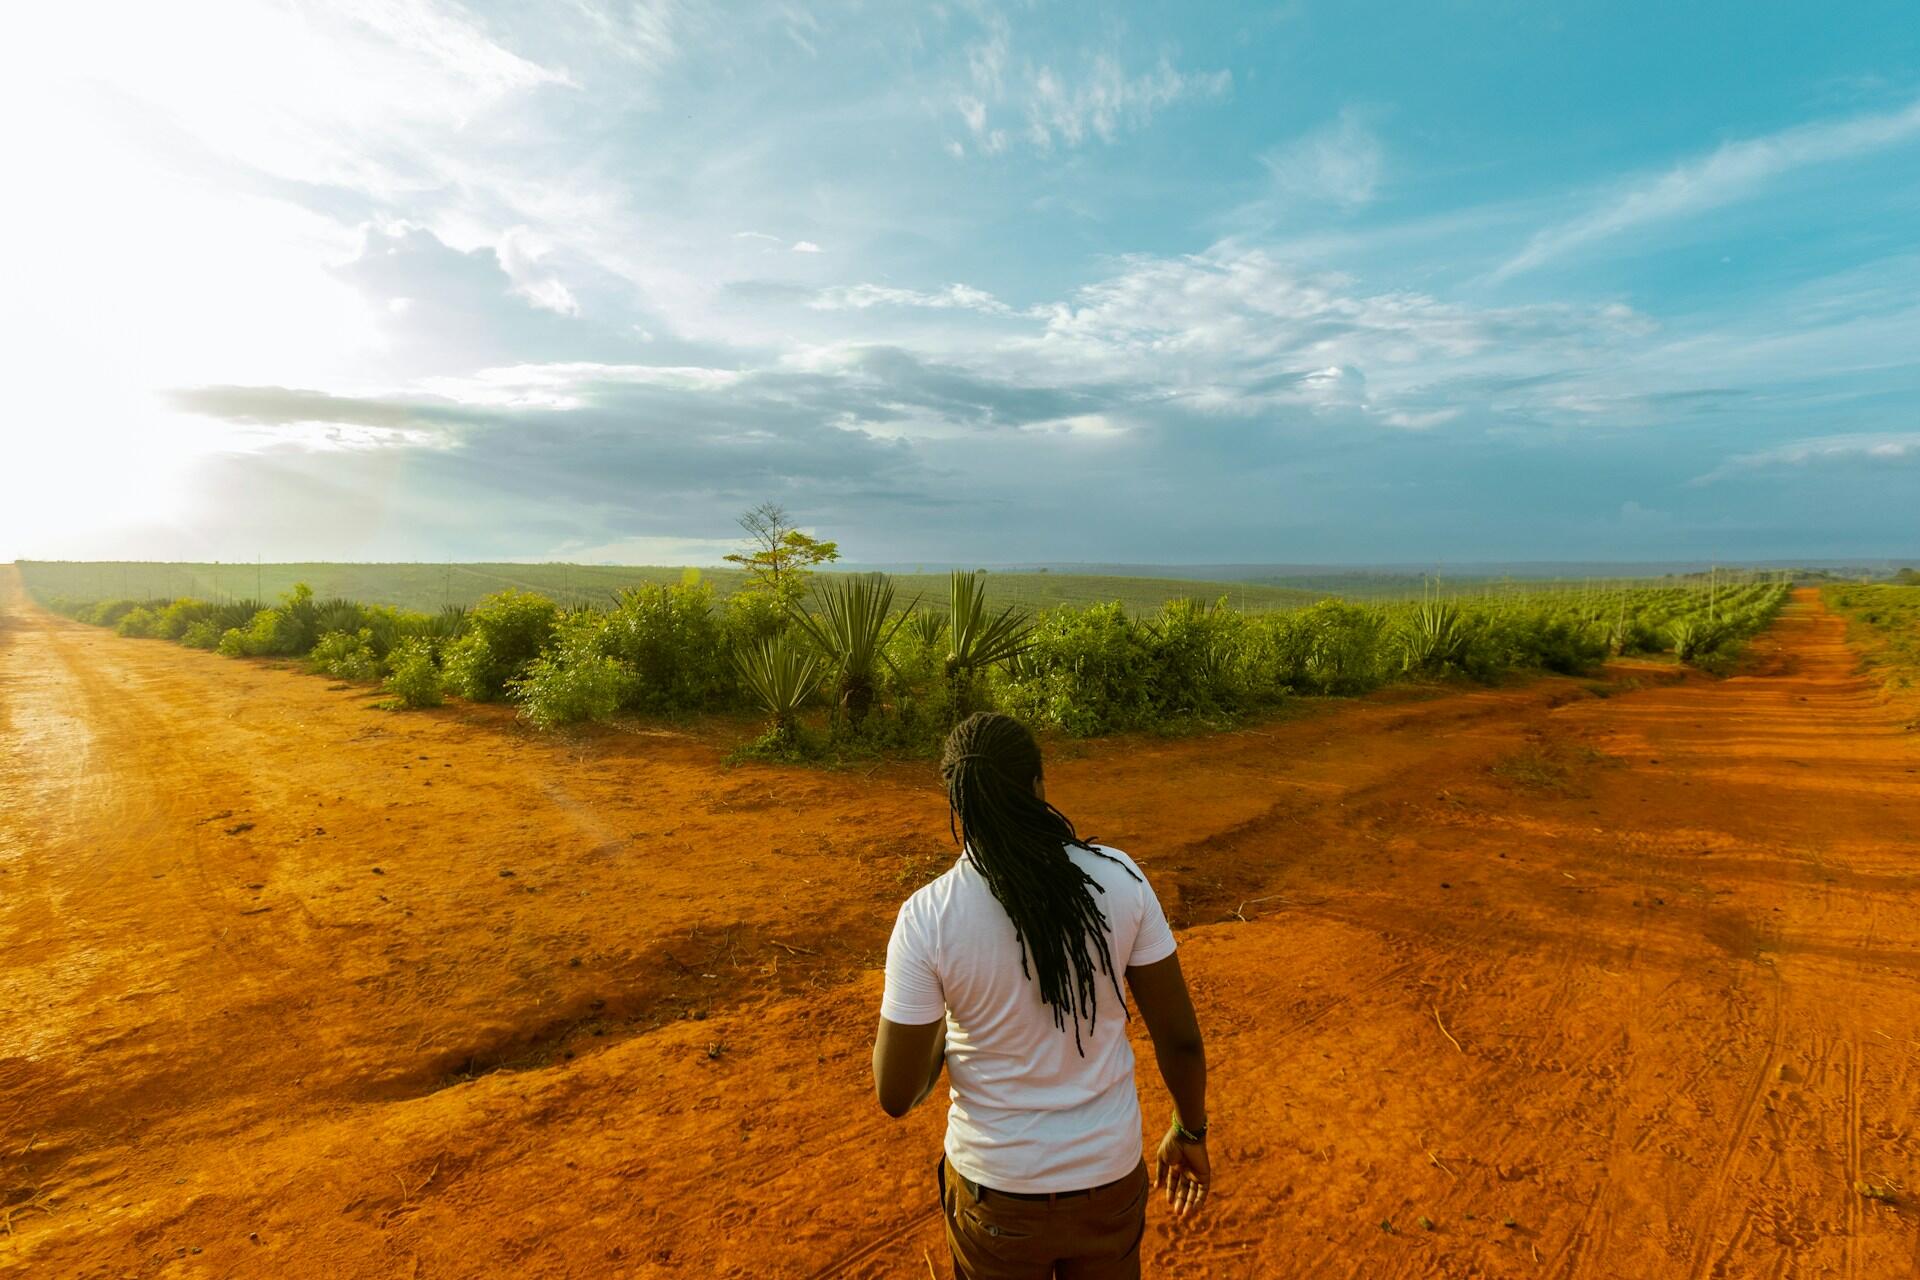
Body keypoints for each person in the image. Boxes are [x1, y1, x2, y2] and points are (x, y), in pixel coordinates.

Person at [872, 712, 1212, 1279]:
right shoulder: (1119, 881)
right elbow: (1180, 1041)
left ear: (960, 804)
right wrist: (1190, 1130)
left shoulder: (927, 918)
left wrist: (946, 1036)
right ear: (1039, 787)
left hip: (996, 1196)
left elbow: (896, 1092)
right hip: (1108, 1181)